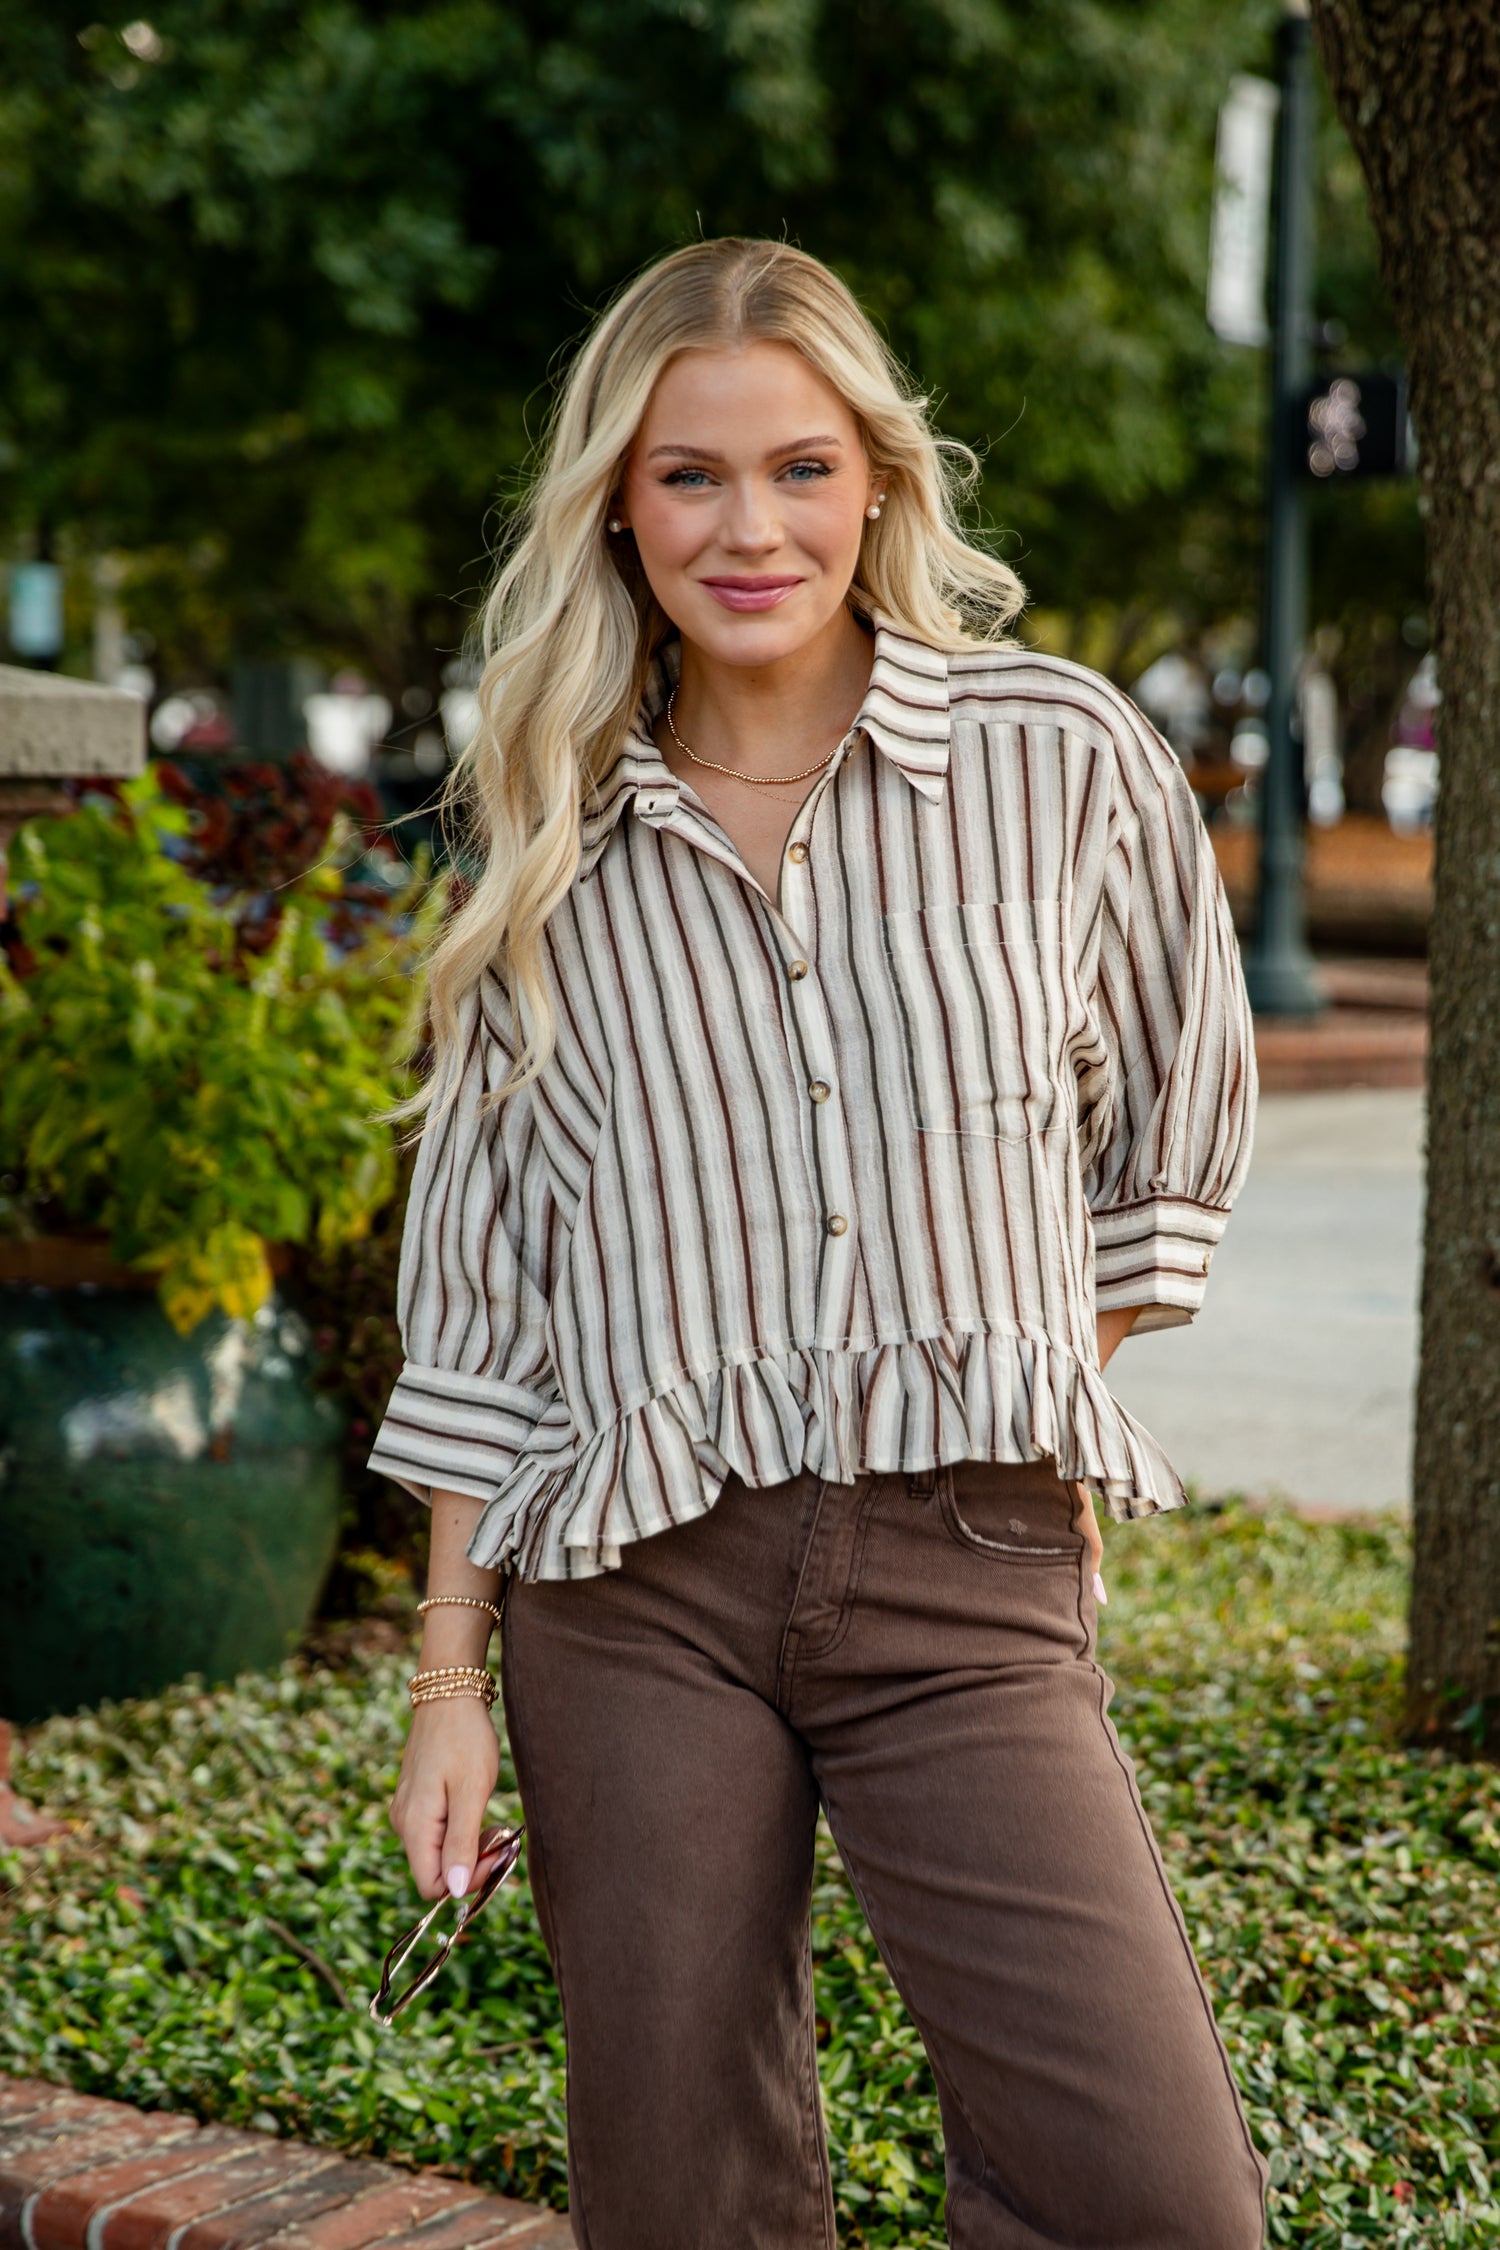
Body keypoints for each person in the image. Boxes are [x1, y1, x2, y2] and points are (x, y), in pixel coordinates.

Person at [377, 237, 1266, 2250]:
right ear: (620, 500)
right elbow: (485, 1298)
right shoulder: (553, 832)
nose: (747, 525)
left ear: (877, 478)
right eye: (689, 475)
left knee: (1153, 2198)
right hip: (634, 1593)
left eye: (798, 467)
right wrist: (448, 1681)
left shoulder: (1061, 762)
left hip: (971, 1571)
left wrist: (1005, 1388)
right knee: (685, 2196)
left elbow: (1169, 1137)